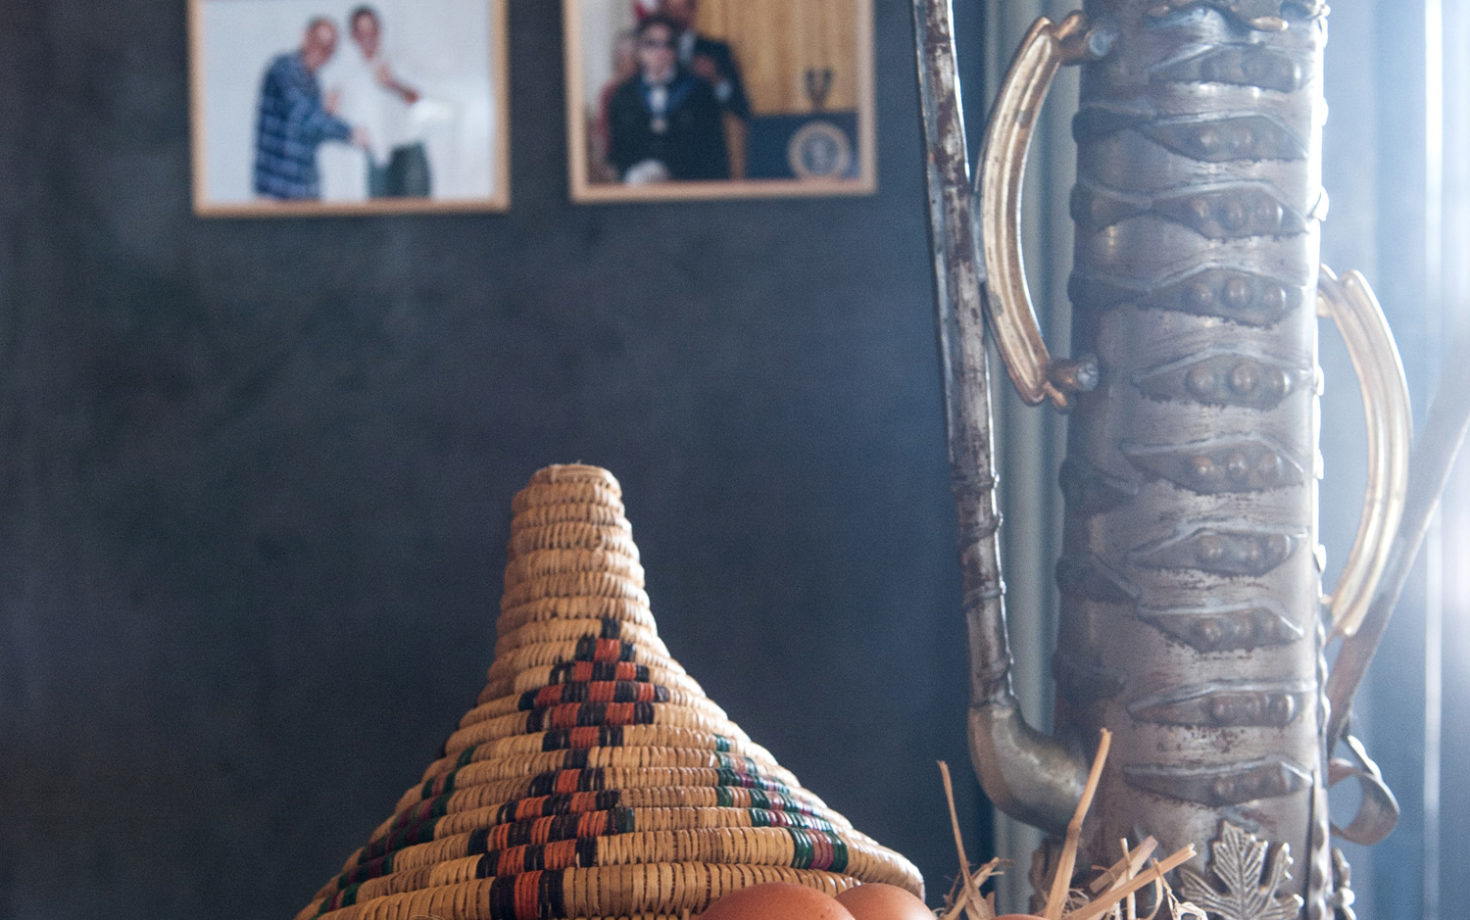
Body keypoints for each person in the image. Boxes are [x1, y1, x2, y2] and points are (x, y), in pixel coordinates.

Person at [253, 18, 368, 200]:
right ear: (305, 38)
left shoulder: (313, 82)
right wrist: (349, 132)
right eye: (318, 42)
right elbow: (306, 119)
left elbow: (309, 130)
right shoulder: (283, 69)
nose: (322, 51)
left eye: (329, 47)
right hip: (276, 192)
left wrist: (326, 114)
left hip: (304, 191)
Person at [605, 14, 728, 182]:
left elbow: (714, 153)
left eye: (668, 44)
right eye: (652, 44)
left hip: (688, 185)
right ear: (639, 50)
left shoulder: (699, 92)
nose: (661, 51)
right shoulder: (623, 96)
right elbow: (618, 152)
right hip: (637, 188)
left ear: (676, 50)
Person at [330, 5, 432, 198]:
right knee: (380, 215)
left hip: (409, 152)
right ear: (354, 36)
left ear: (380, 30)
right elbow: (336, 116)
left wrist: (393, 84)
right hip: (376, 157)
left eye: (372, 31)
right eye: (362, 33)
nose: (368, 38)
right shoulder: (348, 76)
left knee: (419, 213)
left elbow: (420, 101)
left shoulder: (399, 60)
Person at [658, 0, 750, 122]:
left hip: (705, 129)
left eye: (682, 8)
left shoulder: (717, 50)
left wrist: (716, 80)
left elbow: (740, 107)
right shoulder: (649, 52)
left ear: (693, 10)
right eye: (671, 9)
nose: (676, 15)